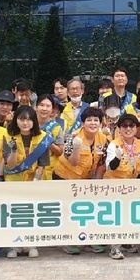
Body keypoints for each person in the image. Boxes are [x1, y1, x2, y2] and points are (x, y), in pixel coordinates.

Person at [53, 106, 109, 255]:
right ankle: (70, 242)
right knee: (69, 211)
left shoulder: (103, 139)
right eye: (89, 120)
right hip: (64, 178)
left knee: (85, 211)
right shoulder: (72, 137)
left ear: (100, 123)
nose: (93, 123)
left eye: (96, 120)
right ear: (83, 123)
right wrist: (77, 147)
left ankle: (89, 240)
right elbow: (73, 162)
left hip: (85, 181)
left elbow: (101, 163)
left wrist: (96, 183)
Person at [3, 105, 53, 258]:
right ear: (16, 120)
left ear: (34, 121)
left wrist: (35, 181)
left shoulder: (43, 137)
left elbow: (42, 164)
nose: (25, 123)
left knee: (31, 213)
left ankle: (31, 244)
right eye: (22, 119)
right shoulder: (8, 136)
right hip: (14, 182)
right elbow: (9, 165)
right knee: (14, 213)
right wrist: (13, 151)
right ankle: (13, 246)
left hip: (33, 182)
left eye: (29, 120)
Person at [104, 113, 140, 260]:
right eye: (124, 126)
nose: (128, 128)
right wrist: (117, 157)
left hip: (131, 186)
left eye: (131, 125)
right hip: (114, 186)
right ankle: (114, 247)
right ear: (119, 129)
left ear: (136, 128)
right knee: (116, 216)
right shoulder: (113, 144)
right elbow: (110, 167)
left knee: (129, 215)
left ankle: (127, 242)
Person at [36, 95, 65, 180]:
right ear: (36, 107)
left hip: (48, 171)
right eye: (42, 105)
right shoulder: (28, 124)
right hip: (29, 168)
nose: (44, 109)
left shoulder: (56, 127)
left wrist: (48, 141)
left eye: (48, 106)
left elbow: (60, 151)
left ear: (52, 109)